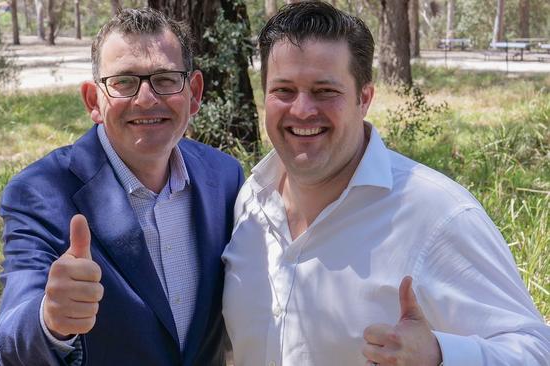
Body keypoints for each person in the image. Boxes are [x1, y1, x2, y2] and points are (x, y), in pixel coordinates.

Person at [221, 2, 550, 366]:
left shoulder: (437, 215)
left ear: (364, 98)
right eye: (283, 90)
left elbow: (536, 350)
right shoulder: (248, 201)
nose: (301, 110)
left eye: (325, 91)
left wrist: (440, 355)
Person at [0, 8, 243, 366]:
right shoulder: (40, 194)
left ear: (194, 93)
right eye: (124, 82)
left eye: (166, 78)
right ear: (93, 101)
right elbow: (9, 340)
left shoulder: (225, 177)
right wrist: (49, 320)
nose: (146, 99)